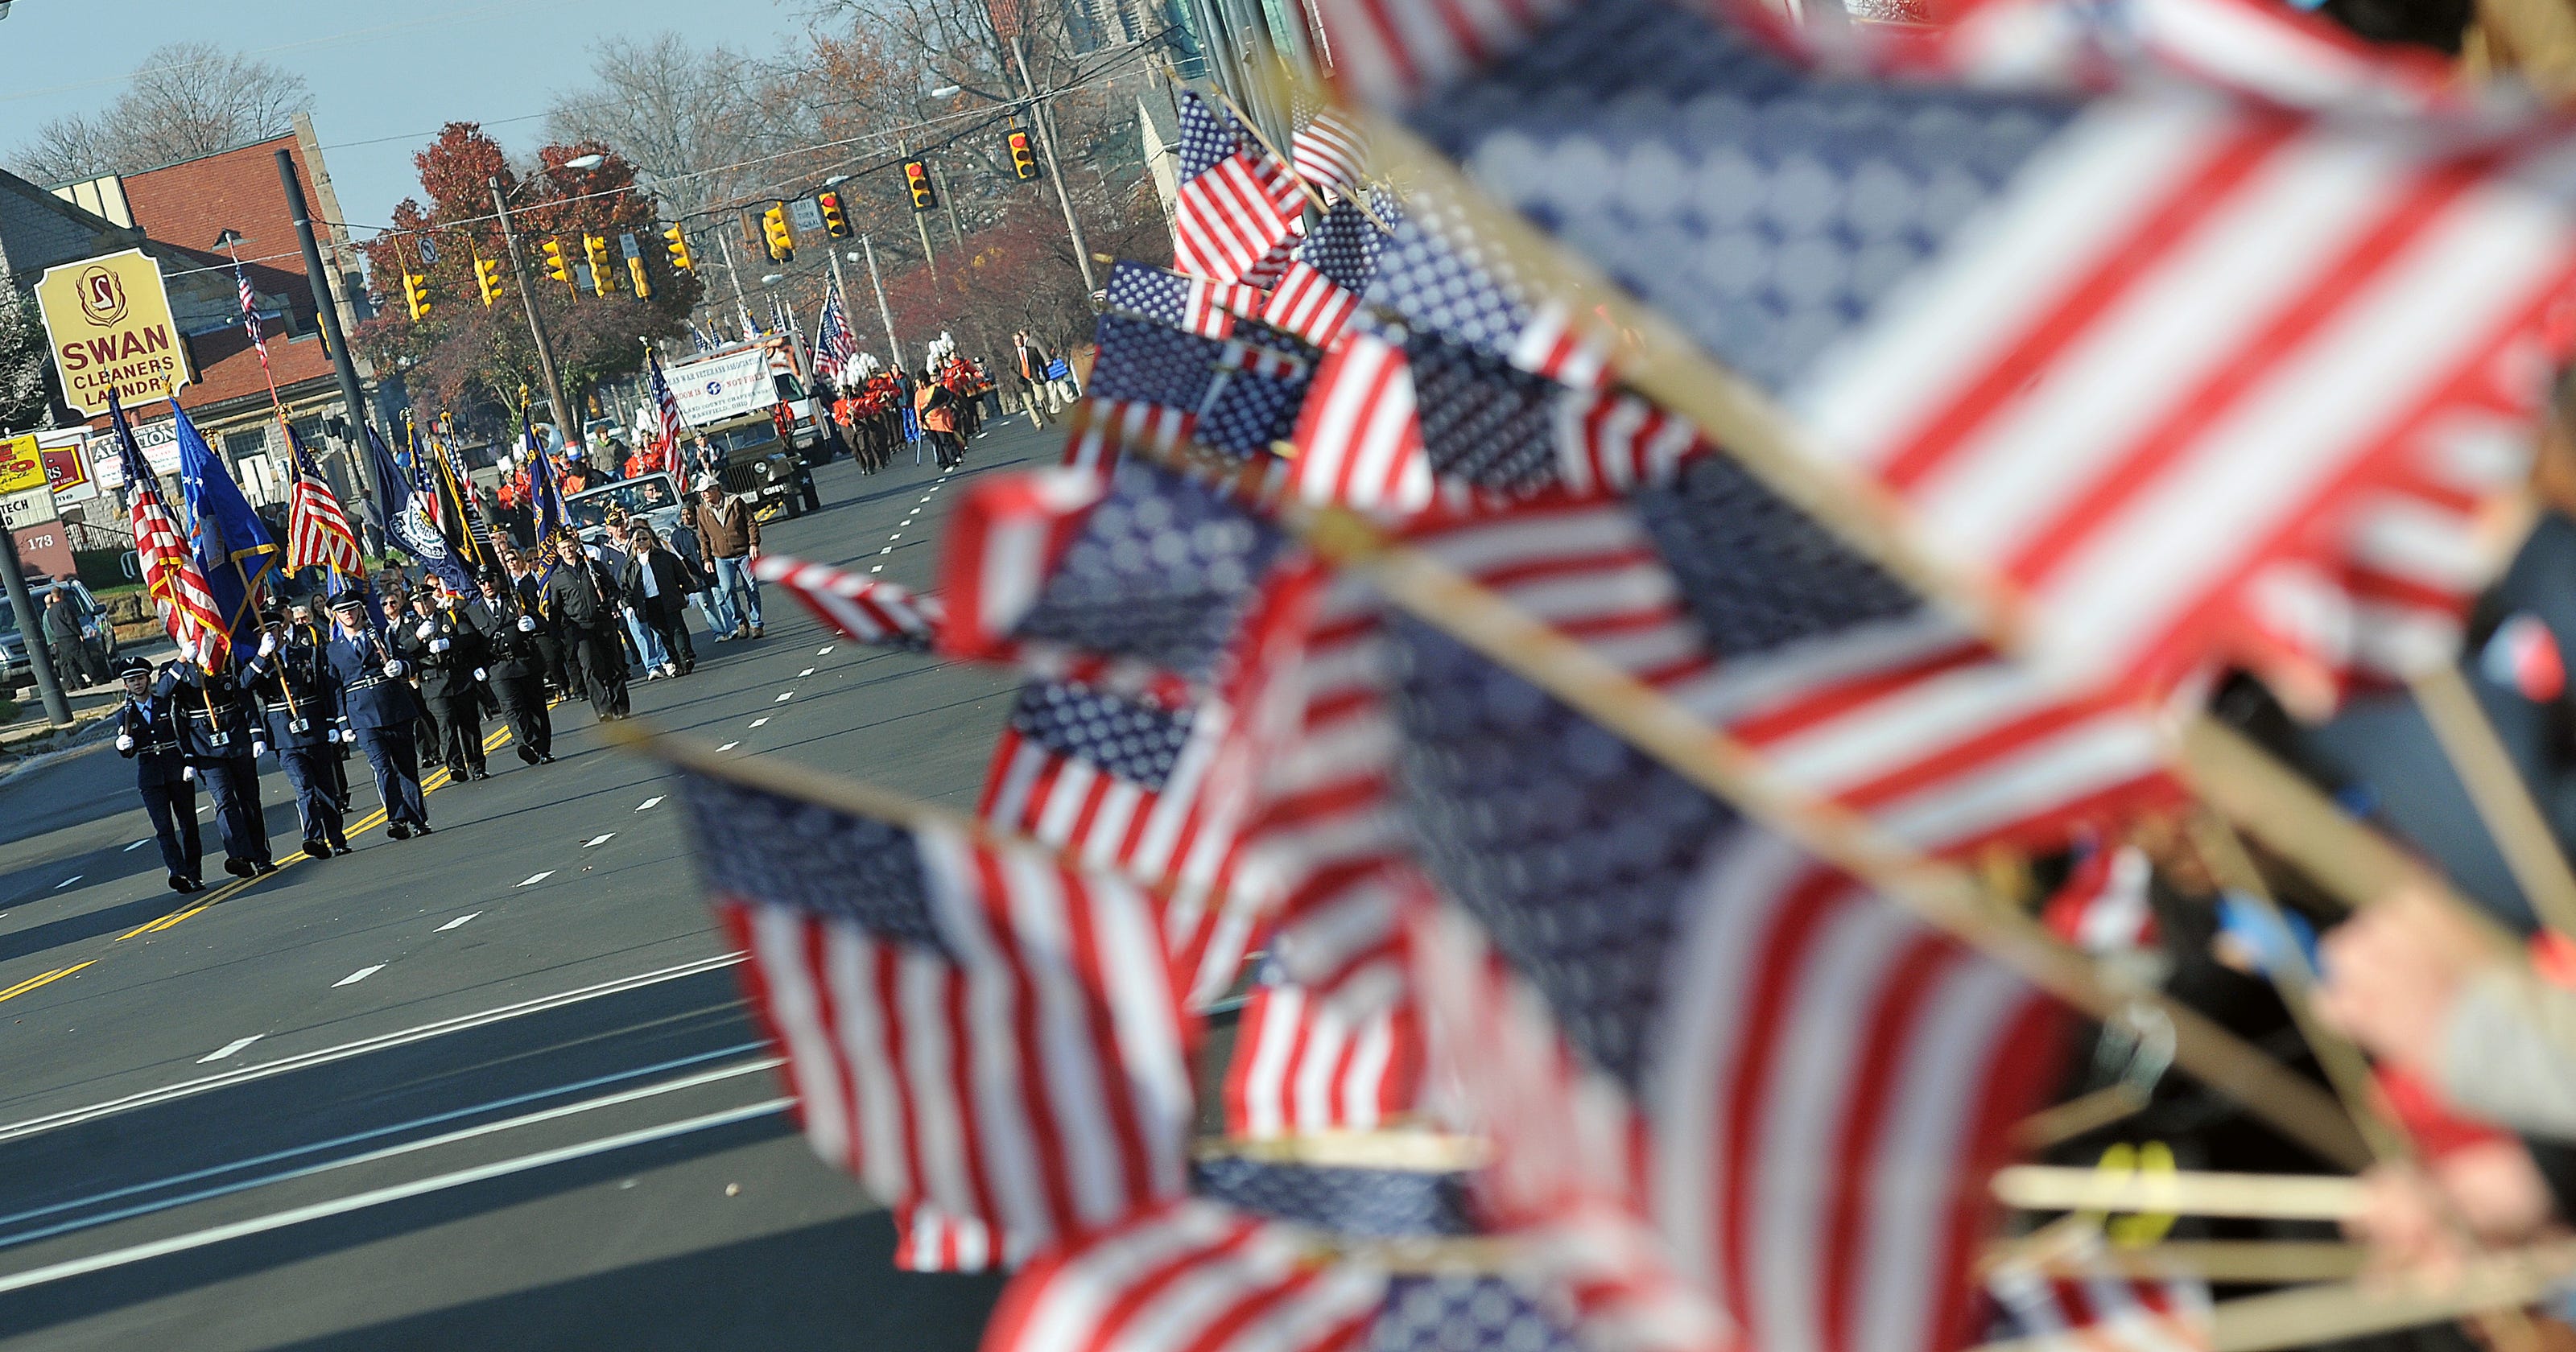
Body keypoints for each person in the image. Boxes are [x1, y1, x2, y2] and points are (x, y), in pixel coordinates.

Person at [242, 610, 349, 859]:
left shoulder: (307, 653)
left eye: (271, 630)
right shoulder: (257, 664)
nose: (266, 635)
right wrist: (262, 656)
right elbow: (243, 686)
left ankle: (337, 838)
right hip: (284, 738)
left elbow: (327, 688)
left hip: (315, 728)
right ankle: (313, 838)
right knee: (305, 787)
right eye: (261, 634)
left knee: (327, 789)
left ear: (282, 630)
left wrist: (333, 723)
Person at [323, 592, 431, 839]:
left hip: (393, 706)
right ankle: (396, 819)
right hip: (361, 715)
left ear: (361, 610)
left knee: (406, 767)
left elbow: (410, 662)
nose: (348, 614)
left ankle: (418, 818)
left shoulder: (382, 635)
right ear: (336, 616)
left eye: (352, 609)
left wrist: (400, 667)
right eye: (342, 611)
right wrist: (342, 721)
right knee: (382, 768)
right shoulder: (332, 650)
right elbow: (334, 688)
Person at [163, 649, 275, 877]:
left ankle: (261, 856)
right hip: (203, 745)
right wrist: (183, 660)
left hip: (236, 736)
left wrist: (256, 735)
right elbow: (163, 692)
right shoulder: (176, 666)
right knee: (224, 800)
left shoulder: (226, 660)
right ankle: (239, 855)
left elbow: (244, 696)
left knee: (249, 800)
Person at [114, 655, 202, 892]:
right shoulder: (125, 715)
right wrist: (124, 745)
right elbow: (129, 751)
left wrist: (190, 761)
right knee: (163, 828)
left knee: (188, 824)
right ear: (126, 686)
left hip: (176, 768)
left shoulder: (167, 704)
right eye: (131, 680)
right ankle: (177, 872)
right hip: (151, 777)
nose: (137, 684)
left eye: (140, 678)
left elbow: (183, 734)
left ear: (148, 679)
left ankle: (194, 873)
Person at [398, 586, 489, 780]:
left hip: (459, 677)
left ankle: (477, 765)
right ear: (413, 606)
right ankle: (455, 767)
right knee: (446, 725)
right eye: (418, 601)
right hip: (433, 682)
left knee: (469, 724)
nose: (424, 604)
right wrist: (418, 637)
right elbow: (401, 651)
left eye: (427, 599)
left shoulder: (449, 617)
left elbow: (470, 638)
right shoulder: (409, 626)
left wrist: (449, 643)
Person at [467, 569, 555, 765]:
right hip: (498, 668)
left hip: (525, 662)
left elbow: (544, 624)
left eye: (490, 580)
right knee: (512, 709)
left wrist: (532, 623)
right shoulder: (472, 612)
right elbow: (471, 644)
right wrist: (476, 667)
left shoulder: (517, 601)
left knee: (536, 707)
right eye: (482, 583)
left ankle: (543, 749)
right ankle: (525, 743)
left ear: (498, 580)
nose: (487, 585)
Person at [543, 534, 630, 719]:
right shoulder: (557, 578)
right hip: (579, 628)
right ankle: (603, 710)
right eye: (563, 548)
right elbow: (555, 608)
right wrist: (555, 634)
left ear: (575, 545)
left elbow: (613, 589)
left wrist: (611, 602)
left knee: (613, 664)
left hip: (602, 621)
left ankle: (620, 706)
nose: (568, 550)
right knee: (590, 668)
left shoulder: (593, 567)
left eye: (570, 546)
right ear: (558, 551)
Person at [688, 480, 763, 640]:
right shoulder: (702, 510)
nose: (704, 494)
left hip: (744, 553)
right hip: (721, 557)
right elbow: (703, 537)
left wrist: (753, 544)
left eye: (707, 490)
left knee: (751, 587)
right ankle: (740, 621)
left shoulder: (735, 502)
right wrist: (706, 559)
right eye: (702, 492)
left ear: (716, 489)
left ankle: (756, 623)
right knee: (727, 590)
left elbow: (751, 523)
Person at [597, 517, 669, 678]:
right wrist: (614, 603)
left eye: (621, 523)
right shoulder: (606, 551)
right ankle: (652, 666)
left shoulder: (639, 539)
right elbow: (608, 580)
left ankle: (665, 660)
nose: (619, 528)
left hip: (649, 593)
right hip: (627, 599)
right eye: (614, 526)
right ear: (608, 529)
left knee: (658, 630)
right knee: (640, 633)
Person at [622, 523, 696, 678]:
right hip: (648, 604)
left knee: (677, 629)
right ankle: (675, 662)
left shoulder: (664, 556)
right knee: (663, 634)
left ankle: (685, 658)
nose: (642, 542)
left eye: (644, 539)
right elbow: (626, 588)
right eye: (638, 540)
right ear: (633, 544)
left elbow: (681, 574)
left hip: (668, 598)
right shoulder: (630, 564)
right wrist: (628, 606)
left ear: (650, 540)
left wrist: (691, 592)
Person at [667, 511, 735, 640]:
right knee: (706, 606)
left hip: (712, 573)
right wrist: (687, 578)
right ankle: (719, 633)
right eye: (683, 515)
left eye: (688, 513)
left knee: (721, 600)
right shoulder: (678, 535)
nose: (686, 517)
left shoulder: (705, 527)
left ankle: (731, 628)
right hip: (696, 579)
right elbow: (678, 559)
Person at [41, 583, 105, 689]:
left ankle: (79, 683)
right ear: (60, 594)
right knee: (84, 658)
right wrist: (79, 633)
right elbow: (71, 621)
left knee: (70, 662)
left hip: (60, 639)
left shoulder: (49, 611)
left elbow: (52, 625)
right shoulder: (64, 606)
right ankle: (96, 678)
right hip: (71, 636)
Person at [915, 371, 963, 471]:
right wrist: (919, 420)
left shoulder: (937, 388)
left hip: (939, 419)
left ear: (923, 381)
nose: (916, 384)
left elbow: (951, 395)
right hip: (927, 422)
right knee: (936, 442)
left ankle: (953, 458)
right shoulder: (918, 394)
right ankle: (942, 462)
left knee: (945, 440)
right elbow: (918, 408)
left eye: (918, 382)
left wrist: (947, 405)